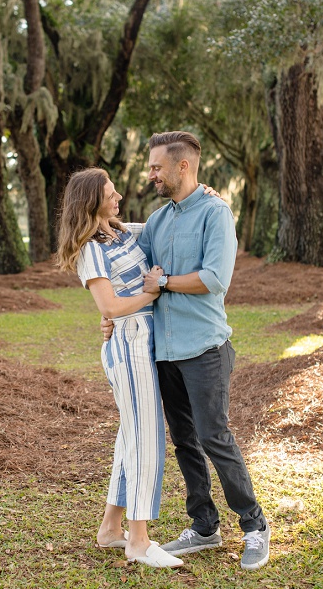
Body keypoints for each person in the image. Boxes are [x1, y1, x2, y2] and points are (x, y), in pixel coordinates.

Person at [103, 131, 271, 570]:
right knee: (183, 442)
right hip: (165, 351)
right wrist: (112, 312)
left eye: (157, 166)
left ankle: (254, 526)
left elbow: (215, 278)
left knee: (215, 437)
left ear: (184, 166)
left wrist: (164, 283)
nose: (151, 174)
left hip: (205, 347)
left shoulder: (216, 213)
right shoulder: (158, 221)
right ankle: (204, 526)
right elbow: (122, 253)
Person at [55, 168, 182, 569]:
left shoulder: (120, 230)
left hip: (144, 340)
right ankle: (139, 541)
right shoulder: (90, 248)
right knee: (146, 439)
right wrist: (151, 292)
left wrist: (203, 194)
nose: (118, 196)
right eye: (110, 193)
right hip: (126, 345)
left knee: (131, 437)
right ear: (91, 202)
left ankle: (111, 529)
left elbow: (169, 218)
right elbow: (108, 308)